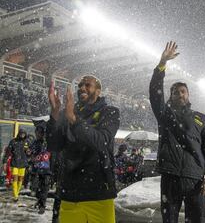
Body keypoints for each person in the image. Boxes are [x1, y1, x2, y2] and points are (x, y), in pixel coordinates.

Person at [149, 41, 205, 223]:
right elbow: (155, 94)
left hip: (195, 178)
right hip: (170, 177)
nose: (180, 94)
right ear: (170, 96)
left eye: (183, 91)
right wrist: (162, 64)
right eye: (175, 92)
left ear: (188, 94)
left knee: (197, 220)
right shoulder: (165, 115)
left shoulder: (200, 118)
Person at [46, 75, 120, 223]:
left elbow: (101, 142)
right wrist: (54, 114)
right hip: (70, 193)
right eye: (80, 85)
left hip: (99, 192)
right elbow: (54, 145)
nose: (82, 88)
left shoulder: (110, 112)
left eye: (87, 85)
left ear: (98, 91)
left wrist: (74, 119)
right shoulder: (67, 112)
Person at [2, 129, 29, 202]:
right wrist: (4, 162)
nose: (22, 135)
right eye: (21, 134)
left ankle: (16, 192)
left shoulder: (26, 142)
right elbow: (8, 153)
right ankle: (15, 196)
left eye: (24, 134)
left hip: (23, 163)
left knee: (20, 179)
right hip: (15, 163)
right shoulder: (13, 141)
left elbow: (29, 153)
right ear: (19, 134)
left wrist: (29, 152)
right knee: (15, 179)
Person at [30, 125, 51, 214]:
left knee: (44, 188)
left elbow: (54, 154)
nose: (38, 134)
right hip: (36, 169)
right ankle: (39, 200)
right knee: (35, 188)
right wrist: (30, 154)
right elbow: (30, 153)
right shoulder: (34, 143)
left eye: (40, 133)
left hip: (46, 170)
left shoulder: (48, 143)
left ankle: (42, 205)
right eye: (37, 133)